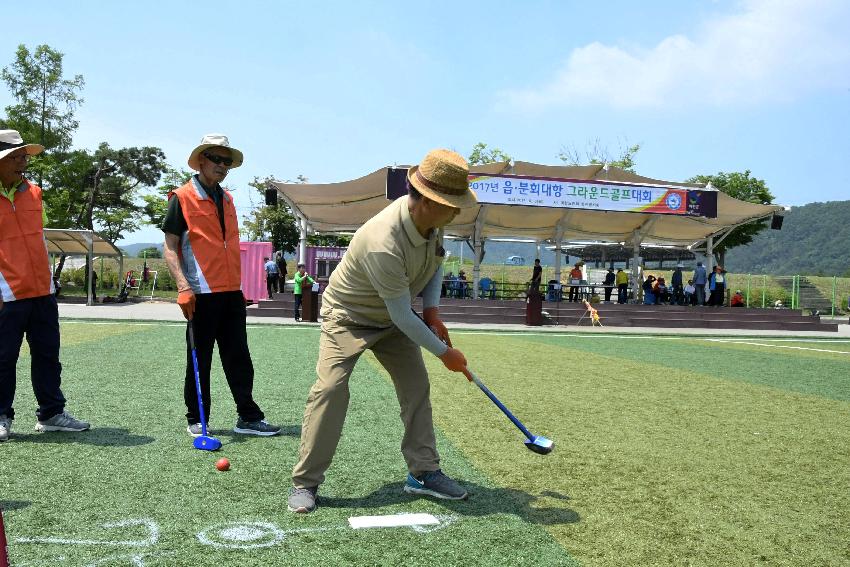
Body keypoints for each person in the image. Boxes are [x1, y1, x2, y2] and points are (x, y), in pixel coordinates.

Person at [288, 148, 476, 514]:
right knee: (331, 389)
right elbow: (404, 317)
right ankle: (306, 482)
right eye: (448, 203)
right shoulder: (382, 240)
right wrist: (445, 354)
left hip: (392, 319)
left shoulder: (435, 224)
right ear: (421, 199)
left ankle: (423, 473)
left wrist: (434, 311)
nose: (455, 210)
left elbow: (435, 262)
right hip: (349, 316)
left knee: (416, 386)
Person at [162, 133, 280, 438]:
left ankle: (248, 417)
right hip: (200, 293)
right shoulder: (182, 197)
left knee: (239, 356)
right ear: (201, 159)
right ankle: (196, 418)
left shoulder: (227, 198)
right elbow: (170, 246)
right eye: (216, 158)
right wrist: (182, 286)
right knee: (199, 358)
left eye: (226, 161)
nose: (222, 165)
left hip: (230, 292)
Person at [0, 129, 90, 441]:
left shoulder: (35, 193)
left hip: (42, 291)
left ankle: (51, 413)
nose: (23, 161)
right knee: (3, 357)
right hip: (6, 294)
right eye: (16, 156)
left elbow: (38, 238)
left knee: (48, 355)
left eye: (24, 155)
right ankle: (1, 416)